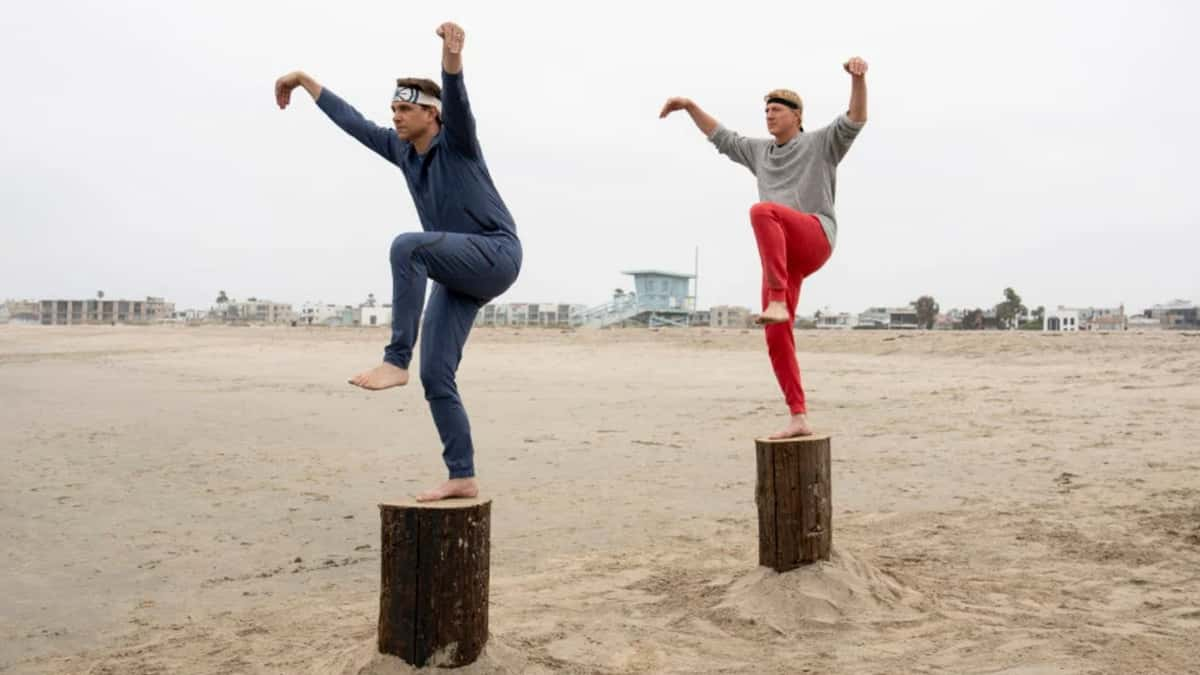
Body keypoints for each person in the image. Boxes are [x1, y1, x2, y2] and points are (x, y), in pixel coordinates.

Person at [274, 22, 521, 501]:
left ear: (432, 114)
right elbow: (353, 122)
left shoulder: (458, 143)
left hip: (496, 253)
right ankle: (461, 474)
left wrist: (452, 57)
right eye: (393, 109)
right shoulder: (402, 151)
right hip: (459, 272)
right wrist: (305, 81)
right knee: (437, 375)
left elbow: (457, 94)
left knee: (407, 244)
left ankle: (394, 360)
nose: (395, 118)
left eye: (405, 109)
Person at [659, 57, 869, 439]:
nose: (769, 116)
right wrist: (690, 108)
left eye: (776, 110)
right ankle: (798, 415)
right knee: (776, 334)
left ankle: (776, 301)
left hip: (815, 235)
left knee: (762, 211)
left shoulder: (820, 143)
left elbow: (856, 118)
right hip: (782, 259)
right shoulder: (760, 153)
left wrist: (859, 78)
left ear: (797, 115)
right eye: (766, 111)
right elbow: (722, 137)